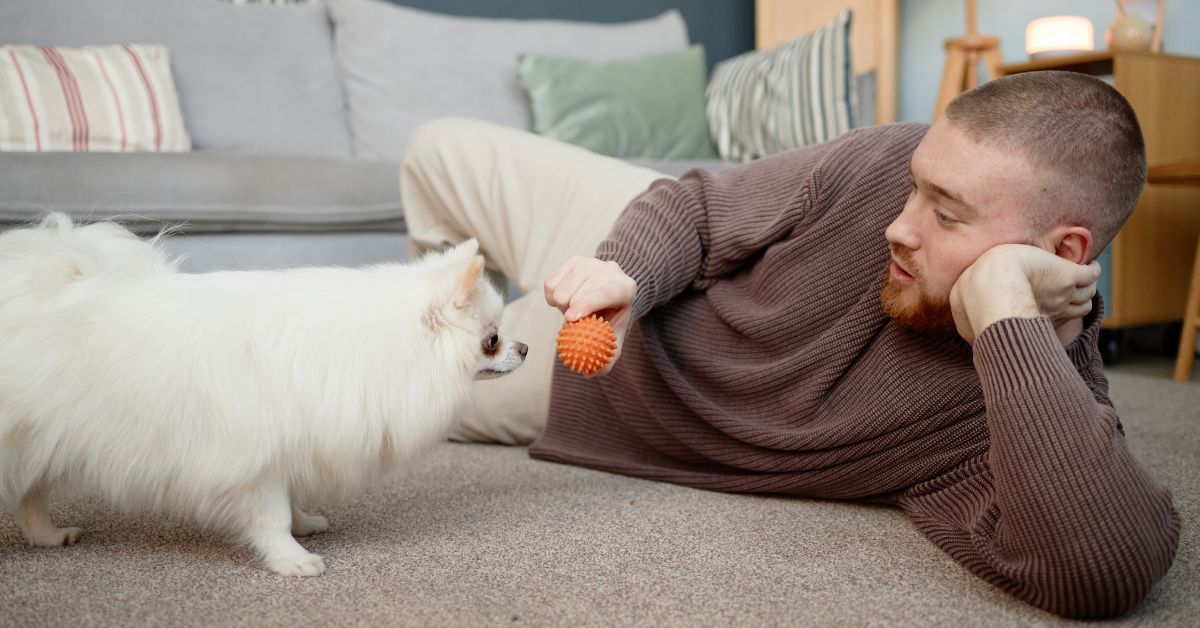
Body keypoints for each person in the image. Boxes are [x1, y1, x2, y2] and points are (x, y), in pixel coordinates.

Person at [399, 70, 1179, 619]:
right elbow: (701, 209)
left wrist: (1007, 313)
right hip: (632, 268)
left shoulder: (1000, 432)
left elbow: (1098, 570)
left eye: (946, 215)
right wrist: (622, 269)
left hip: (594, 379)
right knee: (434, 149)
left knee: (403, 376)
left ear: (1063, 255)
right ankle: (431, 297)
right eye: (916, 185)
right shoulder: (880, 166)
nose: (898, 225)